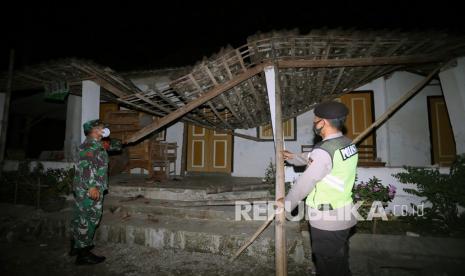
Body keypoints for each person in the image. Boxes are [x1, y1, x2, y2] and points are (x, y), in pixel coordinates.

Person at [279, 101, 358, 276]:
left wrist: (285, 204)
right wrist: (293, 157)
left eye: (316, 120)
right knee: (340, 262)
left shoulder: (324, 151)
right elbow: (314, 157)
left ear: (323, 122)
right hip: (344, 214)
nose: (314, 124)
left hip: (327, 220)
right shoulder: (346, 143)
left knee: (327, 267)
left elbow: (305, 182)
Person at [69, 119, 111, 265]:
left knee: (80, 217)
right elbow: (86, 167)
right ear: (93, 130)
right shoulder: (89, 146)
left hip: (83, 188)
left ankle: (76, 246)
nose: (104, 129)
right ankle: (83, 254)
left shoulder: (94, 144)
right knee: (90, 218)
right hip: (89, 189)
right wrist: (92, 187)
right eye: (101, 127)